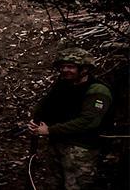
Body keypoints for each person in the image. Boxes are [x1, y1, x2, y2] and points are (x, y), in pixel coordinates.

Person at [30, 47, 112, 190]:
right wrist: (36, 123)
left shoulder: (97, 90)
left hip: (81, 149)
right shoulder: (63, 85)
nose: (65, 70)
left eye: (71, 67)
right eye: (63, 67)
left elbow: (89, 121)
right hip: (58, 144)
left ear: (84, 69)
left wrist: (51, 130)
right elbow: (47, 106)